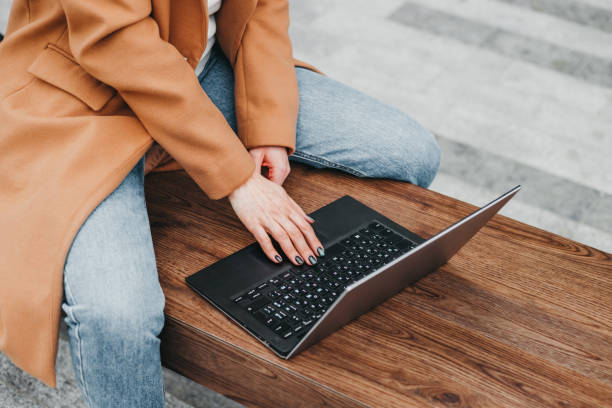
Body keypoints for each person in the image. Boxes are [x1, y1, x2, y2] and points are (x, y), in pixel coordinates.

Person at [0, 0, 440, 406]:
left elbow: (261, 12)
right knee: (117, 318)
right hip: (82, 95)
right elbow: (115, 41)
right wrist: (237, 176)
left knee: (408, 151)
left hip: (199, 69)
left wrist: (268, 124)